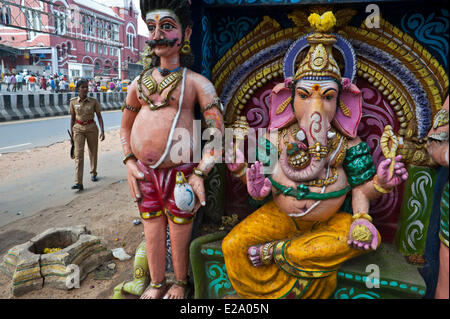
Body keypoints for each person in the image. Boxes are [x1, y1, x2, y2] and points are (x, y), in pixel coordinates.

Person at [120, 0, 224, 299]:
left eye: (166, 27)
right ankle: (155, 283)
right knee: (151, 227)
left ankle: (179, 282)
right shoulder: (138, 84)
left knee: (179, 229)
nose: (156, 36)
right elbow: (125, 127)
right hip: (144, 172)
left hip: (181, 173)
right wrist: (129, 160)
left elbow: (217, 133)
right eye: (151, 28)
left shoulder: (197, 84)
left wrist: (200, 173)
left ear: (186, 33)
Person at [69, 79, 105, 191]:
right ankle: (78, 182)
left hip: (92, 128)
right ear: (78, 89)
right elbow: (72, 119)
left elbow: (99, 116)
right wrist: (71, 136)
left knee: (93, 152)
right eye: (83, 87)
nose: (85, 89)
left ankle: (93, 172)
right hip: (78, 129)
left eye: (86, 87)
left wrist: (102, 131)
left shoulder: (93, 101)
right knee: (79, 156)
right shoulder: (73, 102)